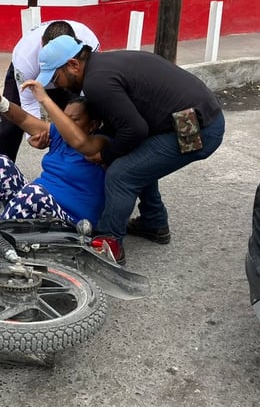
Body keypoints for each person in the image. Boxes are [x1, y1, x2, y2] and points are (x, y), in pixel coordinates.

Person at [22, 35, 225, 257]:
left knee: (122, 173)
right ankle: (154, 222)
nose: (56, 84)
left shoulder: (96, 82)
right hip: (193, 116)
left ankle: (109, 244)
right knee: (139, 160)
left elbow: (136, 130)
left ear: (73, 65)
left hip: (196, 128)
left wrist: (106, 154)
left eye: (56, 77)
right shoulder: (102, 67)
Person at [0, 90, 107, 226]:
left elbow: (86, 144)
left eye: (74, 120)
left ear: (93, 125)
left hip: (70, 219)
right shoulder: (60, 135)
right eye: (65, 119)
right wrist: (1, 102)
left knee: (33, 192)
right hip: (36, 203)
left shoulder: (99, 143)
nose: (66, 125)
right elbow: (24, 119)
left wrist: (44, 99)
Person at [0, 20, 101, 162]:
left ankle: (75, 170)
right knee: (10, 127)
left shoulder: (88, 42)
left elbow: (88, 96)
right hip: (33, 75)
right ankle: (0, 172)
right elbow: (28, 102)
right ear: (42, 44)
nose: (55, 82)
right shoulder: (25, 58)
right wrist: (33, 135)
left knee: (76, 122)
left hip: (71, 76)